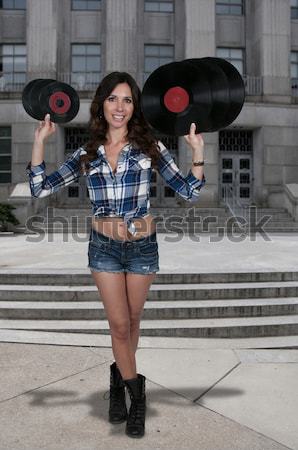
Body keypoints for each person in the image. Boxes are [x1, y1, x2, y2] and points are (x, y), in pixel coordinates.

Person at [26, 71, 206, 438]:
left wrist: (198, 155)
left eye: (127, 99)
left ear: (134, 106)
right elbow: (39, 188)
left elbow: (189, 192)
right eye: (113, 99)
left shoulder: (150, 148)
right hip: (104, 248)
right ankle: (137, 397)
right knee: (119, 325)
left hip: (142, 247)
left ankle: (118, 379)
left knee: (133, 322)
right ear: (102, 105)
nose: (120, 107)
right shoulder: (85, 153)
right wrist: (40, 143)